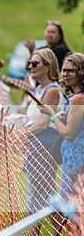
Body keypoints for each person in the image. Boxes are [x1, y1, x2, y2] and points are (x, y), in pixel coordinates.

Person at [21, 48, 63, 236]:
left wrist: (20, 135)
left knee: (45, 190)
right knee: (37, 189)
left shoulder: (52, 91)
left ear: (47, 66)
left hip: (45, 143)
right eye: (29, 63)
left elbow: (43, 123)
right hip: (34, 143)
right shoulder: (37, 90)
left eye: (35, 63)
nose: (30, 66)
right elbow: (32, 120)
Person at [40, 53, 84, 198]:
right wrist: (63, 117)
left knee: (71, 203)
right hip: (73, 157)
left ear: (81, 72)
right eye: (64, 70)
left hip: (76, 159)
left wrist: (51, 114)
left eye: (70, 71)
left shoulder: (78, 99)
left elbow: (69, 134)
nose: (65, 74)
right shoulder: (76, 97)